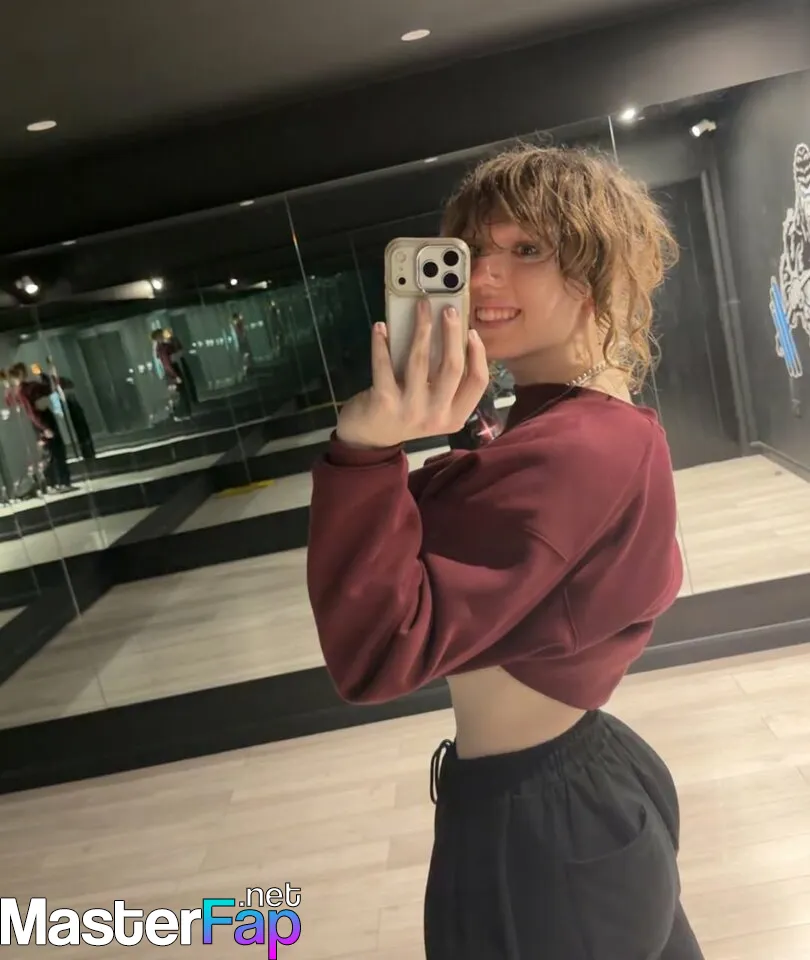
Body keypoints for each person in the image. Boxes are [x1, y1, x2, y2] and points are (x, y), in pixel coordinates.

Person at [305, 145, 704, 959]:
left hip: (541, 833)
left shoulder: (572, 449)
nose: (484, 275)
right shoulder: (578, 422)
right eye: (473, 251)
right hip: (582, 787)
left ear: (596, 273)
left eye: (526, 249)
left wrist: (365, 449)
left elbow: (378, 651)